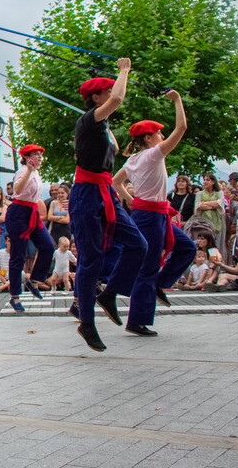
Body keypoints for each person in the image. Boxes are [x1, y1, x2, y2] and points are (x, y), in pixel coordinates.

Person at [69, 61, 148, 352]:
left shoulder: (103, 126)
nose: (113, 93)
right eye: (107, 91)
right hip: (87, 194)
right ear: (96, 97)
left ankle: (110, 293)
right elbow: (117, 99)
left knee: (138, 245)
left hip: (104, 192)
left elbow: (112, 110)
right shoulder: (88, 120)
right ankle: (86, 322)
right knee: (91, 260)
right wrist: (124, 69)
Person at [111, 91, 196, 337]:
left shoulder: (133, 159)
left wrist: (132, 202)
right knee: (147, 268)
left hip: (150, 214)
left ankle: (160, 284)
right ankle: (137, 321)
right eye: (159, 133)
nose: (162, 136)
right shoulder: (153, 154)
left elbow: (116, 182)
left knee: (187, 248)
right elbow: (182, 128)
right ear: (148, 138)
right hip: (150, 217)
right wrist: (178, 100)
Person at [4, 145, 55, 313]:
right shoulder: (22, 172)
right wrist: (29, 170)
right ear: (27, 157)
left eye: (41, 154)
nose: (40, 157)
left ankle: (34, 280)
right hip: (18, 213)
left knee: (48, 246)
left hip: (32, 212)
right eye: (36, 154)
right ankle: (15, 296)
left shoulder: (36, 173)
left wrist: (32, 171)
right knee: (18, 255)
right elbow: (17, 189)